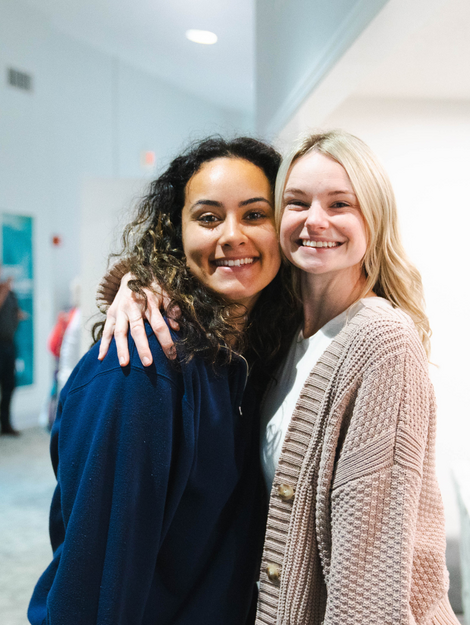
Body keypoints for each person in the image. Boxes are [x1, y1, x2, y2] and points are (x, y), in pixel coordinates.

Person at [99, 129, 459, 624]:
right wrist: (138, 283)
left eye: (340, 204)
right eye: (296, 202)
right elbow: (209, 274)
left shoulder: (381, 342)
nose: (315, 220)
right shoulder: (284, 328)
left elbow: (368, 590)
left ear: (374, 218)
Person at [28, 136, 299, 625]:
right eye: (208, 217)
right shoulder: (140, 368)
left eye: (255, 214)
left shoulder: (252, 357)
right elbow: (96, 587)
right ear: (176, 232)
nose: (232, 235)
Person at [0, 267, 21, 436]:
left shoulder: (12, 294)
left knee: (9, 385)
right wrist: (4, 290)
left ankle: (6, 424)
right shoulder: (4, 292)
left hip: (8, 345)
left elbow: (15, 312)